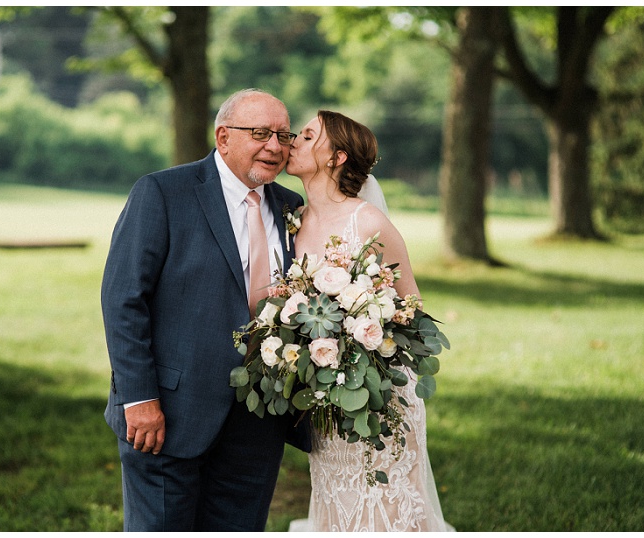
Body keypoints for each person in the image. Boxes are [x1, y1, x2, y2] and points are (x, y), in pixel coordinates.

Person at [100, 88, 306, 531]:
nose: (275, 146)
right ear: (223, 136)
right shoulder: (163, 192)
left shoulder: (292, 208)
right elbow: (123, 300)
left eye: (283, 135)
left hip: (258, 421)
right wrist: (140, 398)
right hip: (168, 414)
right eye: (260, 133)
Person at [285, 110, 453, 532]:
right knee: (336, 496)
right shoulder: (294, 221)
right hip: (324, 391)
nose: (293, 142)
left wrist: (361, 339)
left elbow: (411, 305)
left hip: (380, 392)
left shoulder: (368, 222)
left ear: (336, 157)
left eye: (306, 136)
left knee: (387, 504)